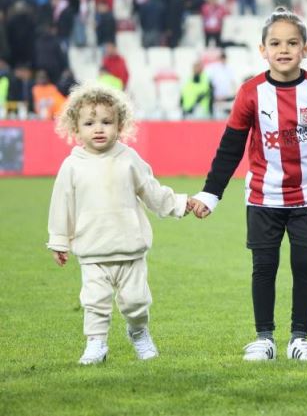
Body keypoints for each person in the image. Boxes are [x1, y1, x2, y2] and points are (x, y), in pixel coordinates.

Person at [191, 8, 307, 361]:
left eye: (292, 42)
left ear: (305, 49)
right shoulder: (250, 93)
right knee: (264, 268)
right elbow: (230, 148)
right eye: (275, 43)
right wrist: (211, 193)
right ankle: (264, 339)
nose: (284, 49)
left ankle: (299, 339)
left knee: (305, 266)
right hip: (263, 198)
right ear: (262, 49)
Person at [46, 84, 197, 364]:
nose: (99, 128)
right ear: (76, 129)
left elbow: (151, 191)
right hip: (92, 252)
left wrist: (179, 203)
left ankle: (138, 332)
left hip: (130, 249)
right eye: (89, 123)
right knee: (95, 303)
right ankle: (96, 344)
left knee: (136, 302)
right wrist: (58, 240)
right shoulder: (72, 166)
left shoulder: (128, 159)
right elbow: (61, 205)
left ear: (120, 125)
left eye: (106, 122)